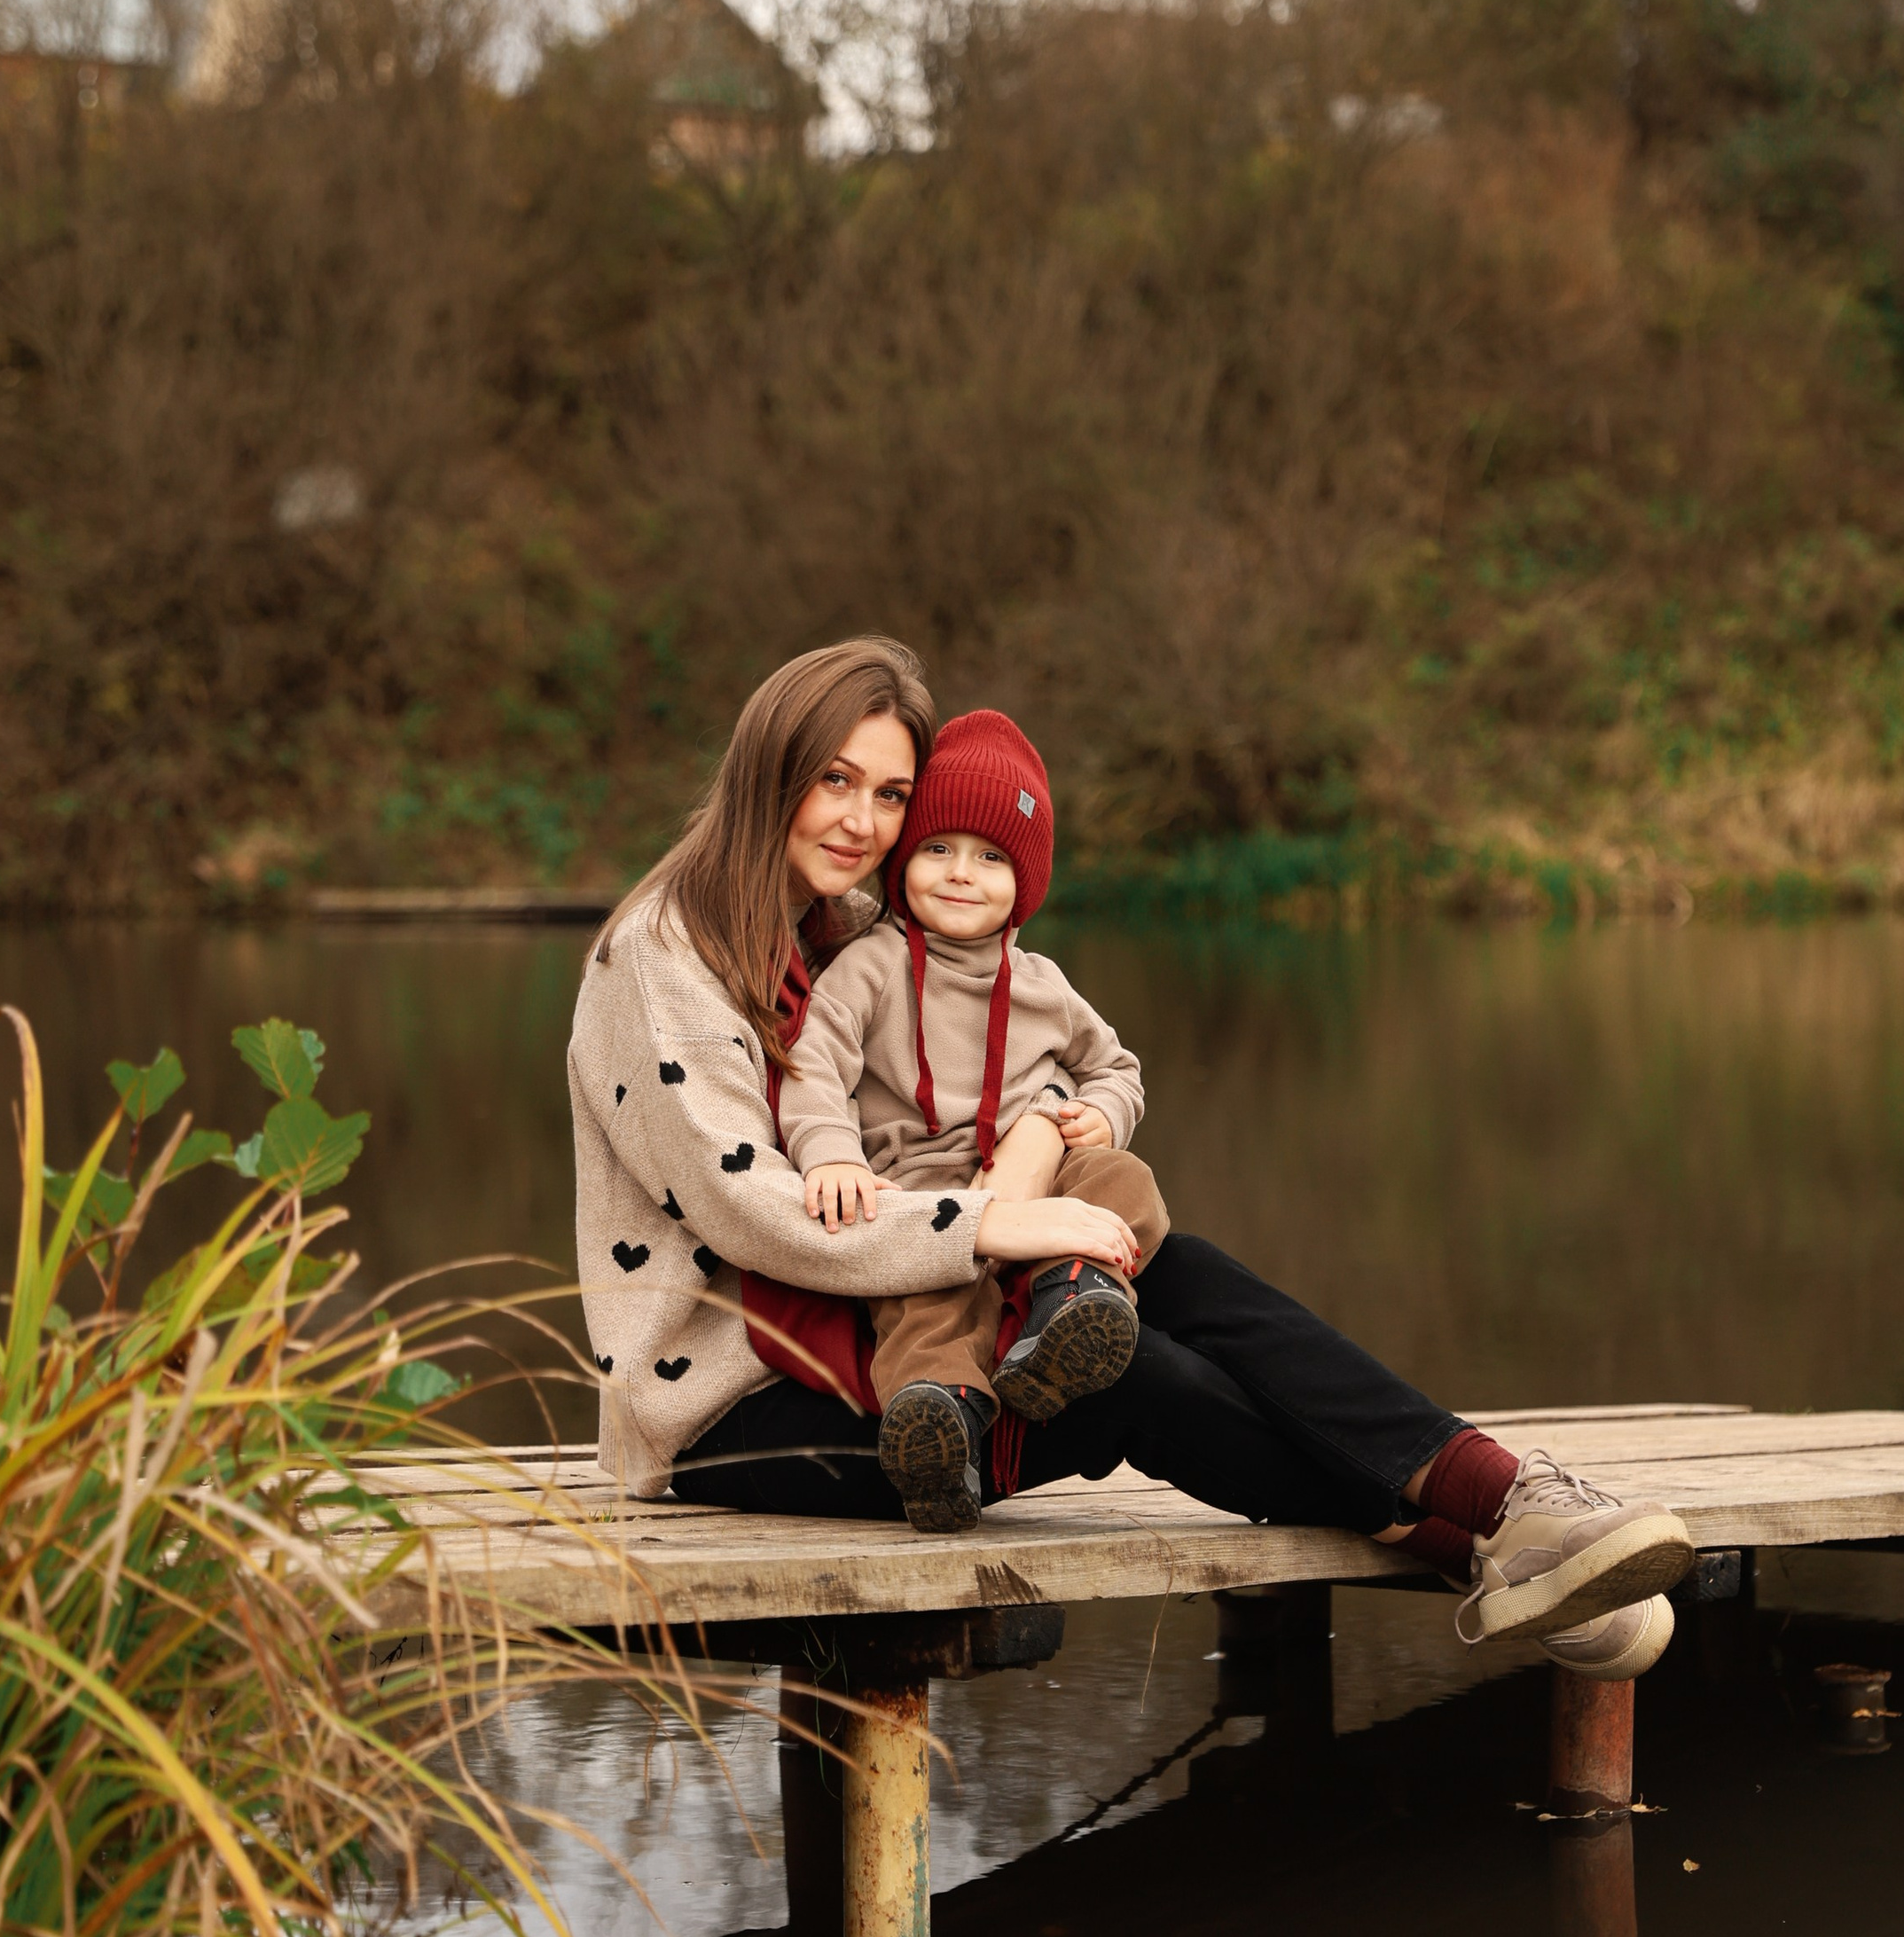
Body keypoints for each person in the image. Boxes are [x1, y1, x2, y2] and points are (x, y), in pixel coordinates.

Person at [568, 637, 1691, 1675]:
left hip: (863, 1324)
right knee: (1133, 1373)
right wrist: (997, 1223)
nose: (864, 821)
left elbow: (1013, 1062)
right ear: (770, 772)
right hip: (739, 1417)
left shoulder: (840, 928)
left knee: (1176, 1269)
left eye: (892, 794)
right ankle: (1476, 1544)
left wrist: (1037, 1141)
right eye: (835, 780)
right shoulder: (659, 956)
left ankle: (1501, 1496)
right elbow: (749, 1208)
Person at [777, 706, 1171, 1530]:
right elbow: (814, 1065)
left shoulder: (1042, 983)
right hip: (918, 1199)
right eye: (938, 849)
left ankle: (1073, 1314)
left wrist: (1099, 1113)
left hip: (1035, 1187)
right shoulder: (872, 966)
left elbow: (1117, 1068)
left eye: (991, 859)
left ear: (1024, 882)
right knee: (924, 1313)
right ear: (904, 862)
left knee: (1124, 1182)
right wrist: (830, 1157)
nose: (962, 874)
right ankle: (939, 1427)